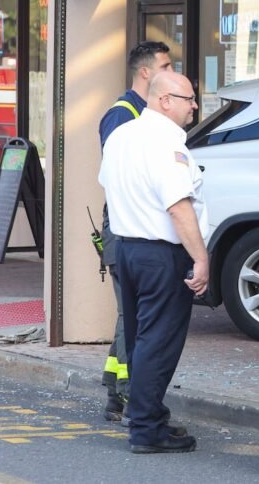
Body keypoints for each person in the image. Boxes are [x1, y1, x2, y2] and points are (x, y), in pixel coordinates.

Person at [98, 71, 208, 454]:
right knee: (157, 343)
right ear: (164, 101)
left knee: (142, 339)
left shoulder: (121, 136)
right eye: (188, 98)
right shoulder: (165, 143)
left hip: (128, 250)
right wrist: (201, 257)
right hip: (160, 254)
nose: (194, 105)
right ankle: (146, 429)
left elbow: (110, 188)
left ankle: (148, 415)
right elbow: (178, 207)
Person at [98, 40, 172, 424]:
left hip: (127, 229)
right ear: (146, 72)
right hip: (126, 231)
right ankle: (130, 396)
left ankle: (116, 390)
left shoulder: (143, 113)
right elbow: (121, 176)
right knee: (136, 318)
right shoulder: (123, 115)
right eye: (166, 64)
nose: (171, 70)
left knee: (130, 315)